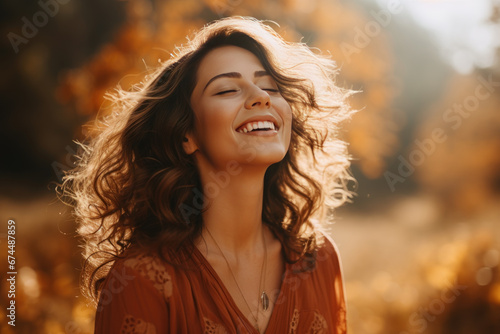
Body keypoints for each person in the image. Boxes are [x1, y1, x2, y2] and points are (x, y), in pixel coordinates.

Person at [62, 16, 353, 333]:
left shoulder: (319, 259)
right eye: (227, 90)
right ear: (186, 134)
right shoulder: (142, 279)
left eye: (270, 85)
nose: (262, 96)